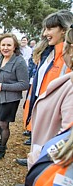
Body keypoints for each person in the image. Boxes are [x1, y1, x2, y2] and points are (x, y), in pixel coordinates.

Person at [20, 9, 72, 159]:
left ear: (63, 30)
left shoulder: (68, 57)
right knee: (38, 145)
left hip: (56, 113)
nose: (44, 33)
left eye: (49, 29)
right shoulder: (49, 53)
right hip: (42, 107)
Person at [0, 33, 29, 161]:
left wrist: (3, 86)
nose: (5, 48)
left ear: (15, 47)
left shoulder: (19, 62)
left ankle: (1, 150)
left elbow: (24, 84)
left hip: (10, 98)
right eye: (3, 45)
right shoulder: (0, 58)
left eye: (9, 45)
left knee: (3, 124)